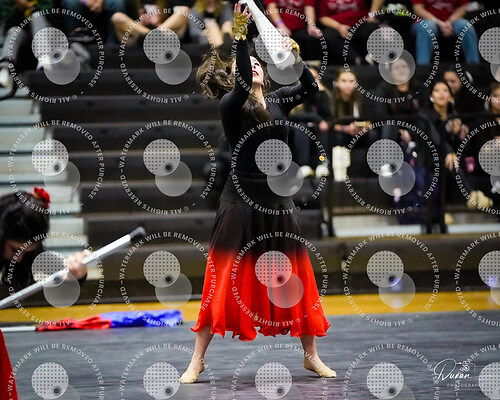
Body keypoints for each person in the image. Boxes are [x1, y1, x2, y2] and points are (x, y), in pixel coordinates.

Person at [179, 2, 334, 383]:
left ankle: (311, 356)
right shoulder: (232, 106)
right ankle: (197, 359)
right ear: (236, 76)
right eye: (246, 67)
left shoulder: (279, 102)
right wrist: (240, 37)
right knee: (221, 276)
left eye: (257, 64)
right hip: (240, 203)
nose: (255, 68)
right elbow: (244, 80)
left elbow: (310, 87)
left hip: (277, 201)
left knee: (297, 276)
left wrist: (294, 59)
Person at [0, 188, 89, 291]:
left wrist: (76, 274)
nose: (18, 259)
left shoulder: (30, 253)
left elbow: (62, 271)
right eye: (14, 250)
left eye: (25, 252)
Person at [411, 0, 480, 65]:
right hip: (426, 20)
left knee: (466, 26)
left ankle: (474, 67)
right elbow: (417, 9)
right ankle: (423, 68)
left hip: (451, 20)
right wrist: (439, 23)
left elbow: (462, 7)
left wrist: (449, 22)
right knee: (428, 27)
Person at [317, 0, 384, 64]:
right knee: (328, 35)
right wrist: (338, 27)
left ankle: (380, 60)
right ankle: (358, 60)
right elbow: (322, 17)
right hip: (336, 27)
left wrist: (372, 15)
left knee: (373, 27)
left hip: (361, 24)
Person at [111, 0, 194, 43]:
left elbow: (178, 15)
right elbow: (127, 22)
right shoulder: (131, 2)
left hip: (166, 36)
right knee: (117, 17)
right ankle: (151, 36)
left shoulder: (168, 2)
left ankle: (153, 35)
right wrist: (139, 23)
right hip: (139, 37)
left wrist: (160, 25)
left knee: (184, 10)